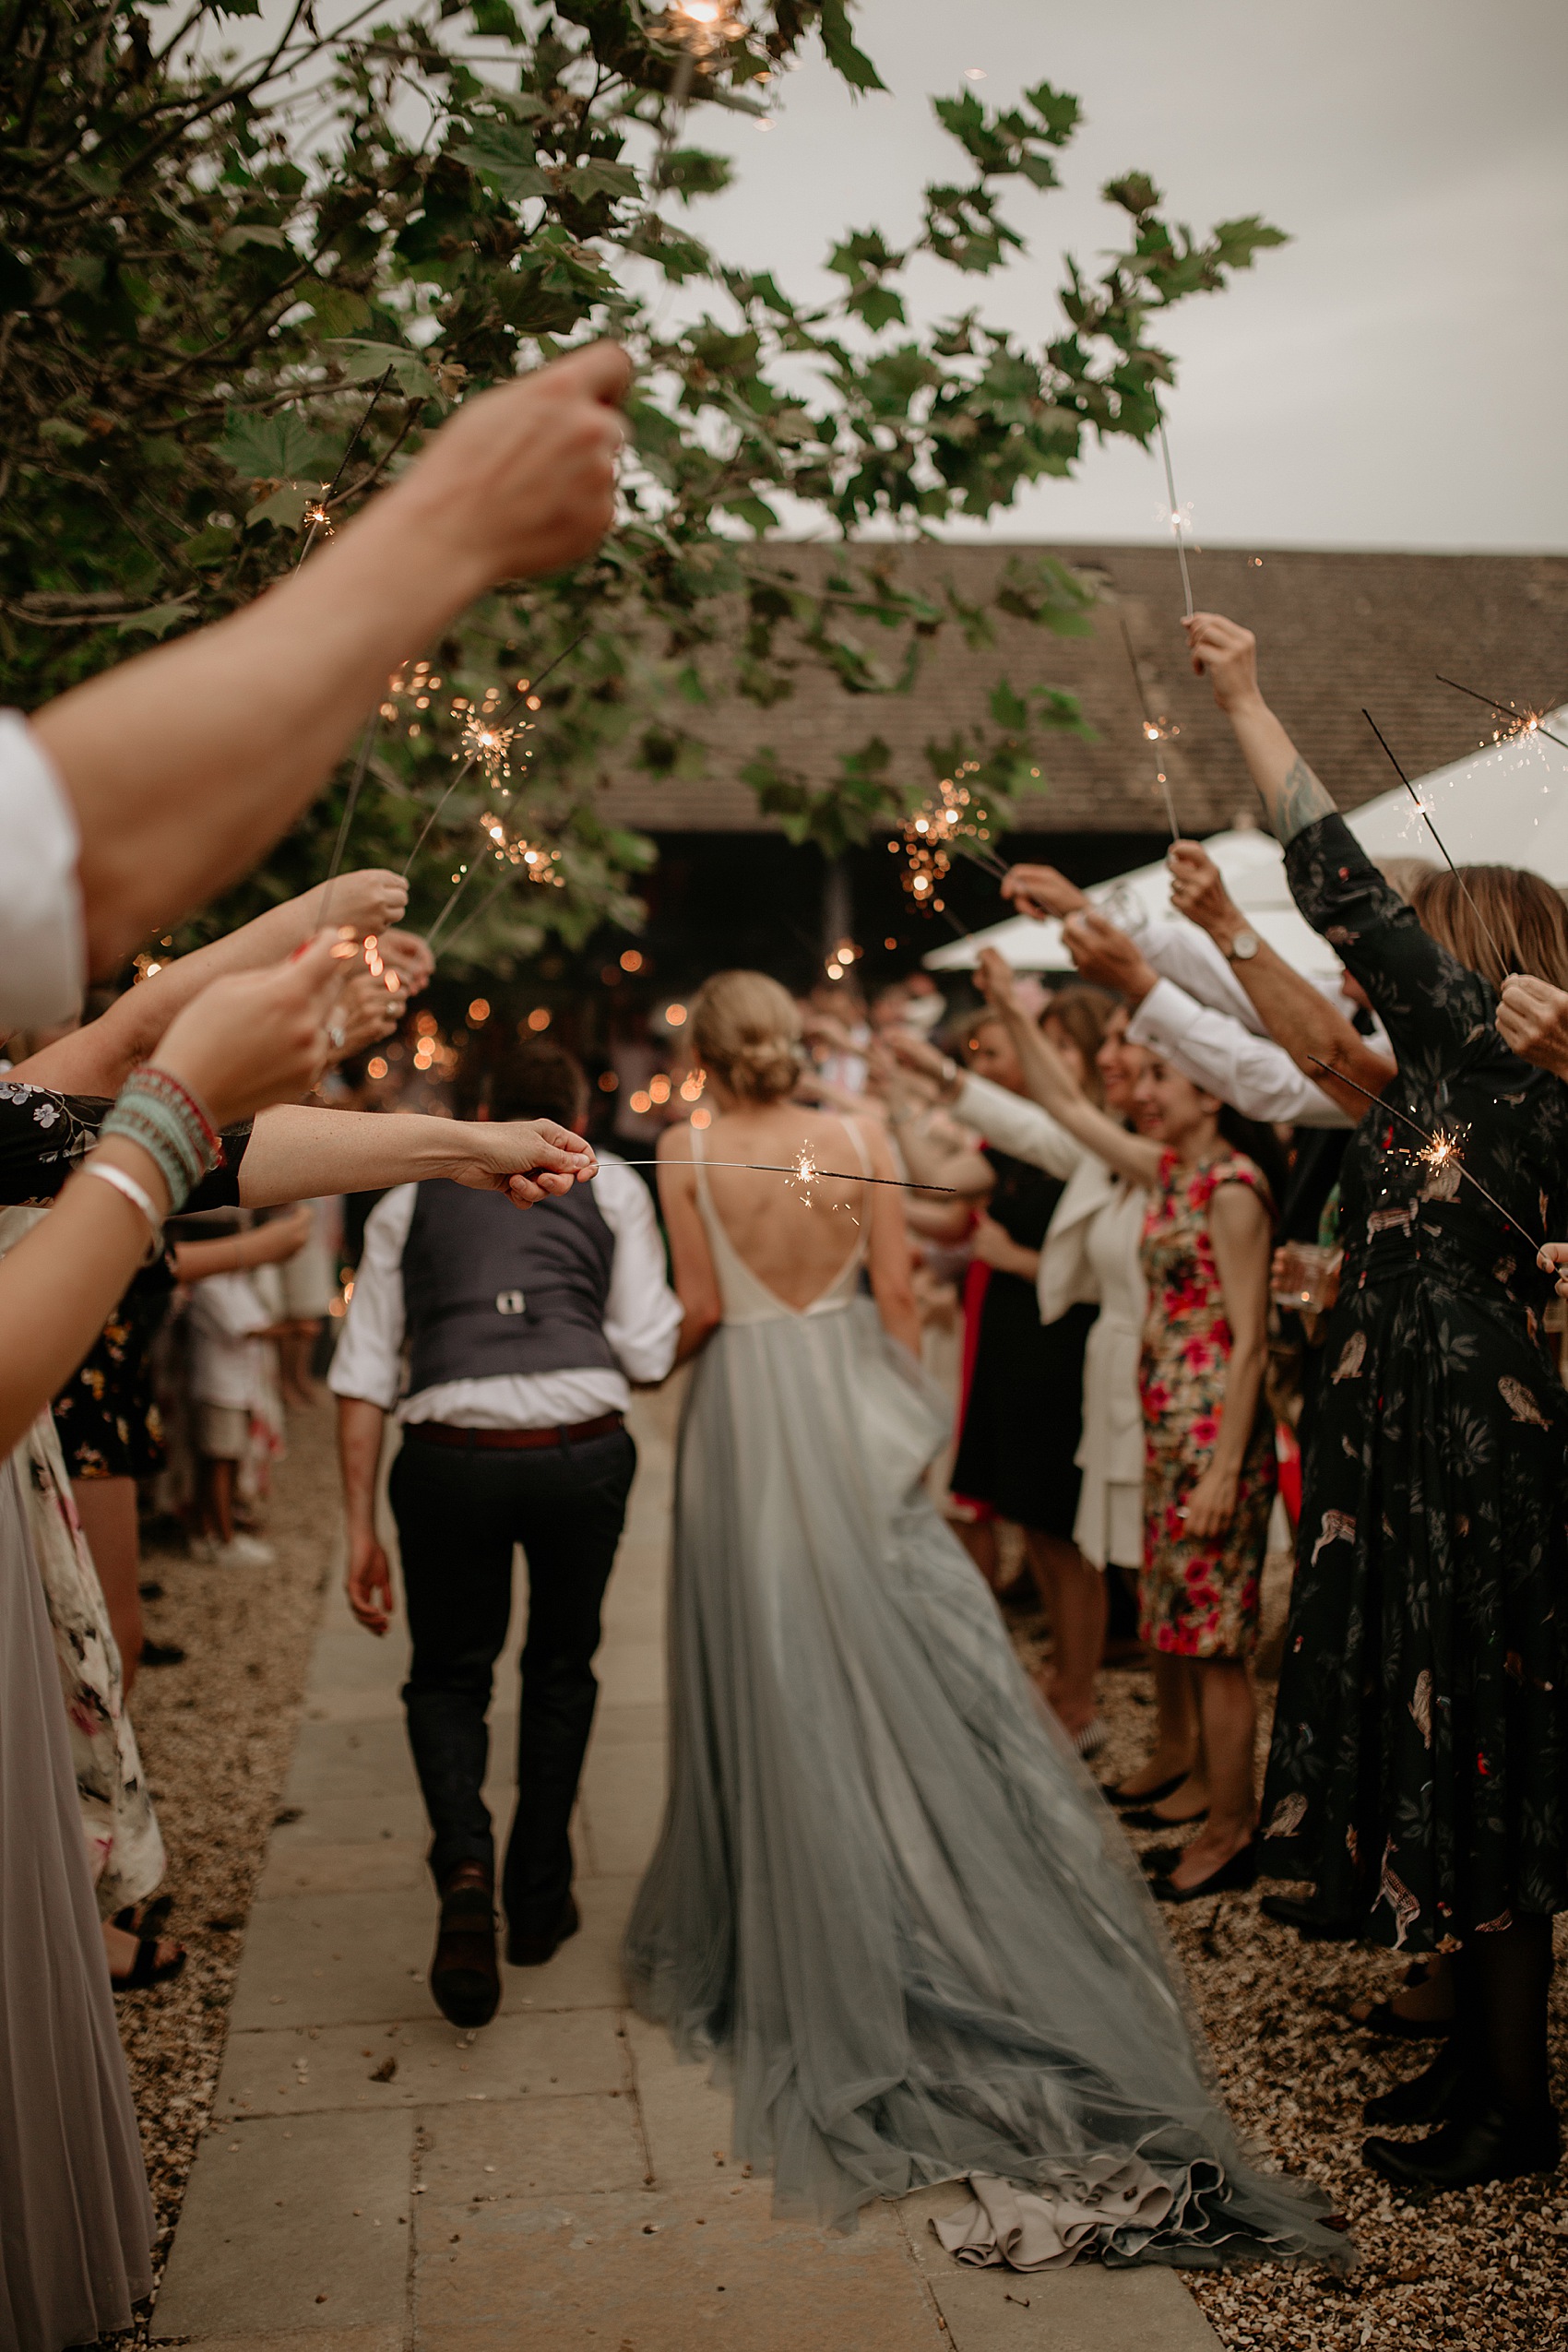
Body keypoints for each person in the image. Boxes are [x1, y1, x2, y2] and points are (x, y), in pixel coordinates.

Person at [623, 968, 1346, 2272]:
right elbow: (904, 1307)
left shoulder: (686, 1144)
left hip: (748, 1415)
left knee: (766, 1651)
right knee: (894, 1659)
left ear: (709, 1057)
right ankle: (908, 1870)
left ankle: (788, 1889)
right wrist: (912, 1445)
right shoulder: (859, 1140)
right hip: (853, 1402)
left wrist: (623, 1356)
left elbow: (708, 1307)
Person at [1187, 607, 1568, 2191]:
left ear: (1469, 966)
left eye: (1430, 940)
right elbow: (1317, 1026)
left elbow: (1336, 881)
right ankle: (1484, 2079)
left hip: (1473, 1463)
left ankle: (1512, 2108)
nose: (1397, 953)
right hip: (1427, 1447)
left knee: (1481, 1768)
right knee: (1455, 1774)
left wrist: (1247, 701)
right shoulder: (1442, 1092)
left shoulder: (1484, 1061)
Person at [334, 1036, 680, 2029]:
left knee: (449, 1671)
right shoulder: (608, 1186)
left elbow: (362, 1372)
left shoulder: (407, 1201)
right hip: (580, 1446)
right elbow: (649, 1345)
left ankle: (465, 1877)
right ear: (570, 1106)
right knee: (561, 1665)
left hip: (449, 1452)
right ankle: (537, 1902)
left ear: (482, 1108)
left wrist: (359, 1526)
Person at [973, 950, 1278, 1903]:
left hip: (1206, 1441)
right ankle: (1207, 1802)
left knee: (1216, 1646)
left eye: (1159, 1079)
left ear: (1211, 1095)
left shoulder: (1230, 1189)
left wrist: (1226, 1467)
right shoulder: (1169, 1174)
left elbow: (1252, 1343)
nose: (1140, 1093)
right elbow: (1064, 1110)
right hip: (1161, 1429)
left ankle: (1232, 1829)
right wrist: (1005, 1012)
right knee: (1179, 1632)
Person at [885, 992, 1114, 1749]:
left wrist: (1012, 1257)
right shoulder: (1024, 1137)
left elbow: (1109, 1264)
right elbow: (939, 1189)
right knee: (1031, 1526)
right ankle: (1059, 1672)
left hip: (1063, 1344)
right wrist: (895, 1109)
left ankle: (1083, 1693)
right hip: (1012, 1337)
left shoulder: (1101, 1141)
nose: (1052, 1061)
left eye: (1062, 1047)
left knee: (1062, 1524)